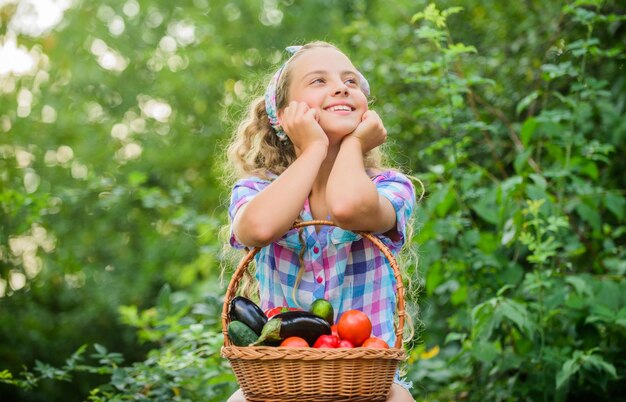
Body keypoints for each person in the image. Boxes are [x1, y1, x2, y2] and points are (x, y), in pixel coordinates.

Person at [224, 41, 417, 402]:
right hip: (282, 379)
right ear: (282, 116)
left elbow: (348, 207)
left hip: (366, 381)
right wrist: (314, 149)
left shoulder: (391, 187)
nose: (342, 87)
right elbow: (258, 229)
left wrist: (353, 146)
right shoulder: (256, 189)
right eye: (319, 81)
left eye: (351, 81)